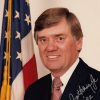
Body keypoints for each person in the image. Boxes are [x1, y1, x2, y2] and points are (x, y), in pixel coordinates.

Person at [24, 7, 100, 100]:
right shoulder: (33, 92)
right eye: (43, 40)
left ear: (78, 42)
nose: (50, 47)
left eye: (60, 38)